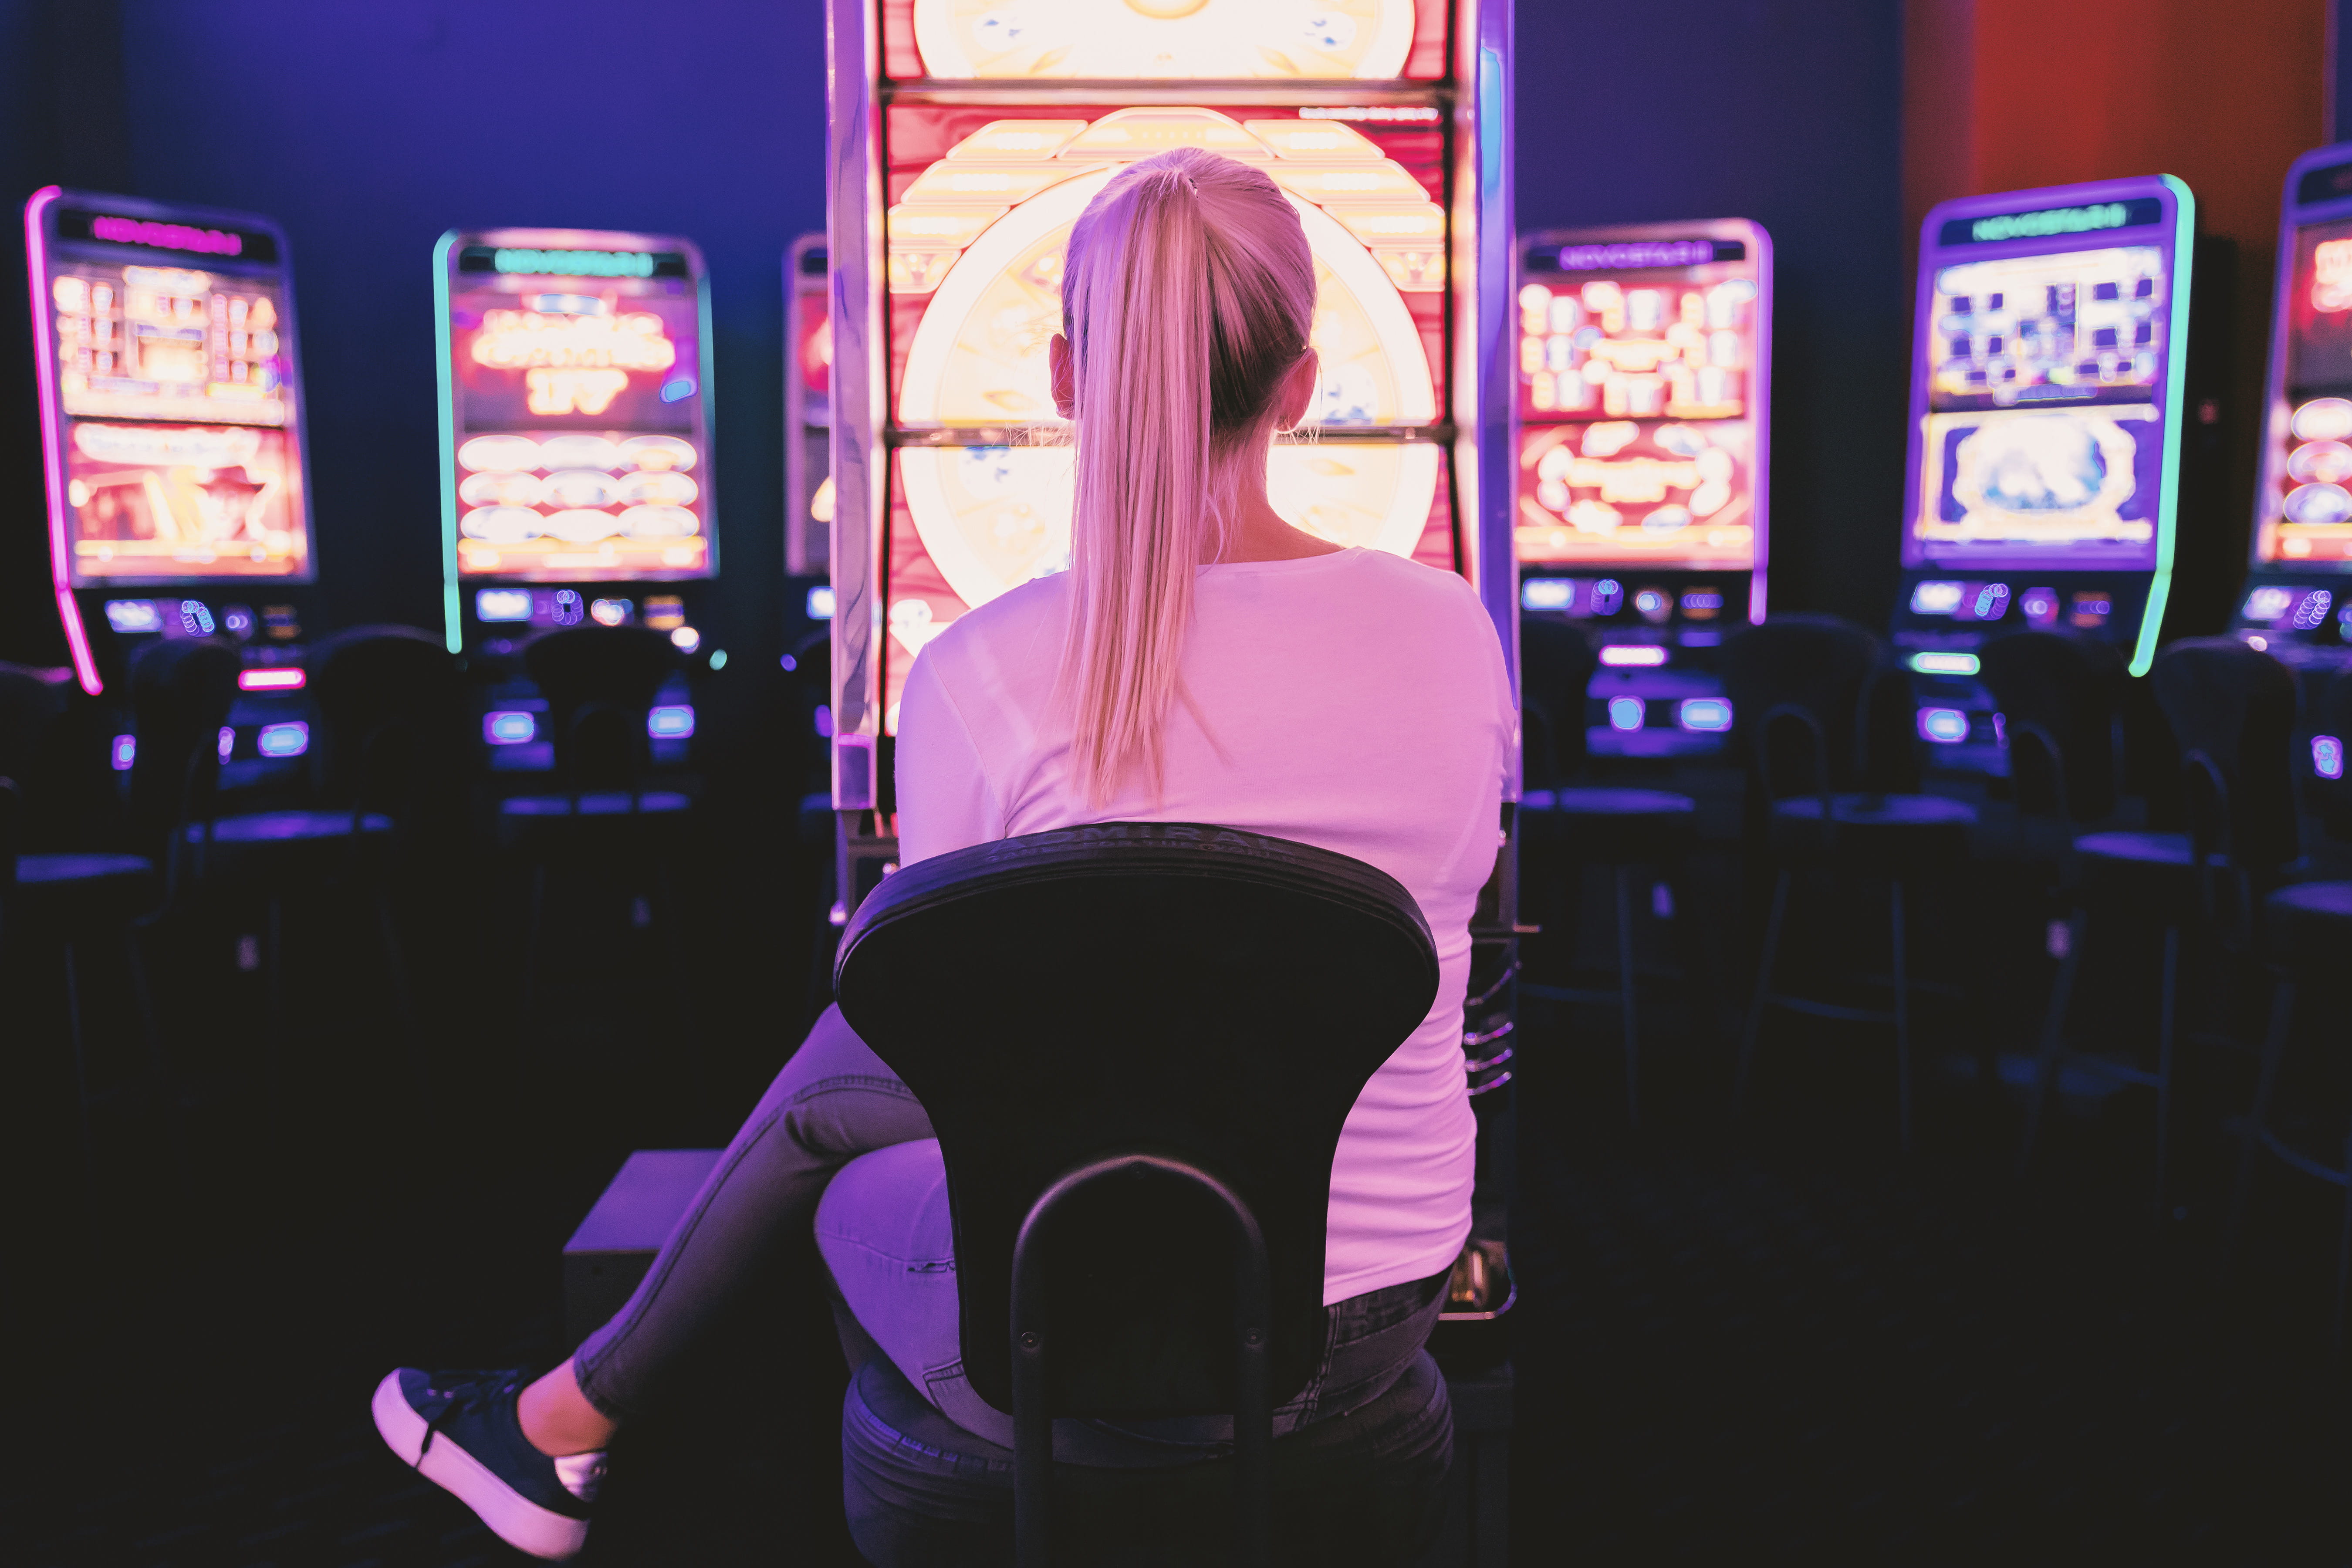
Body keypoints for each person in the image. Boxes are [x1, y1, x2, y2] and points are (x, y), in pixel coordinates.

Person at [371, 145, 1513, 1561]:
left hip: (1069, 1327)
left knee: (840, 1116)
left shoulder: (984, 668)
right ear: (1300, 382)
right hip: (1385, 1298)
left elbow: (947, 1055)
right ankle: (565, 1421)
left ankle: (569, 1427)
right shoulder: (1456, 632)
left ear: (1063, 377)